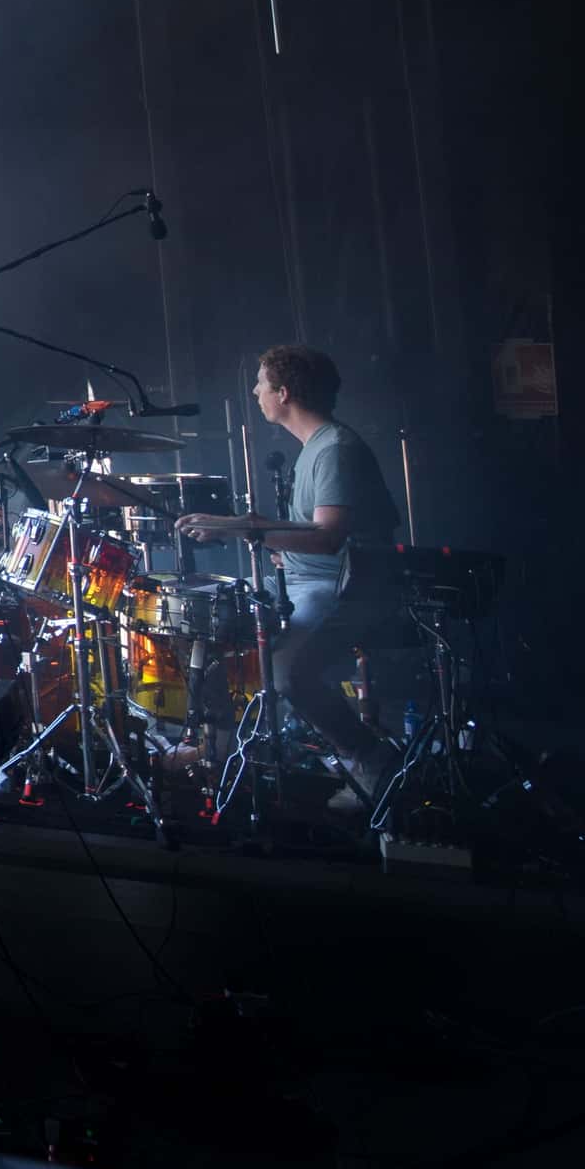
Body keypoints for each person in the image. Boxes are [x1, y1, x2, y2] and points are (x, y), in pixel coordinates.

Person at [178, 344, 406, 816]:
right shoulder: (314, 449)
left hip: (349, 592)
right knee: (222, 651)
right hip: (311, 584)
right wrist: (273, 542)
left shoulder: (335, 450)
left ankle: (368, 756)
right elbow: (315, 534)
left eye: (261, 383)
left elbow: (327, 539)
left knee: (285, 672)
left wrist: (242, 525)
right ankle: (216, 758)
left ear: (284, 393)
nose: (255, 391)